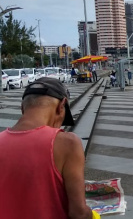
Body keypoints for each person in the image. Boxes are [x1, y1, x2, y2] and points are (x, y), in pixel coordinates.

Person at [0, 79, 97, 219]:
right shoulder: (68, 143)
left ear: (22, 108)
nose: (60, 126)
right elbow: (79, 213)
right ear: (61, 106)